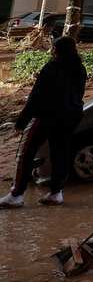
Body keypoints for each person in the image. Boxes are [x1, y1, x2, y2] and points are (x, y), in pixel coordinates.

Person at [1, 37, 87, 208]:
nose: (51, 50)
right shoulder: (79, 68)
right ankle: (56, 193)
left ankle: (17, 194)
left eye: (53, 48)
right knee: (60, 153)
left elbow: (36, 97)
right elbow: (79, 93)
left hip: (47, 117)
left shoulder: (51, 68)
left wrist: (21, 122)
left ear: (56, 50)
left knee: (26, 153)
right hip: (71, 116)